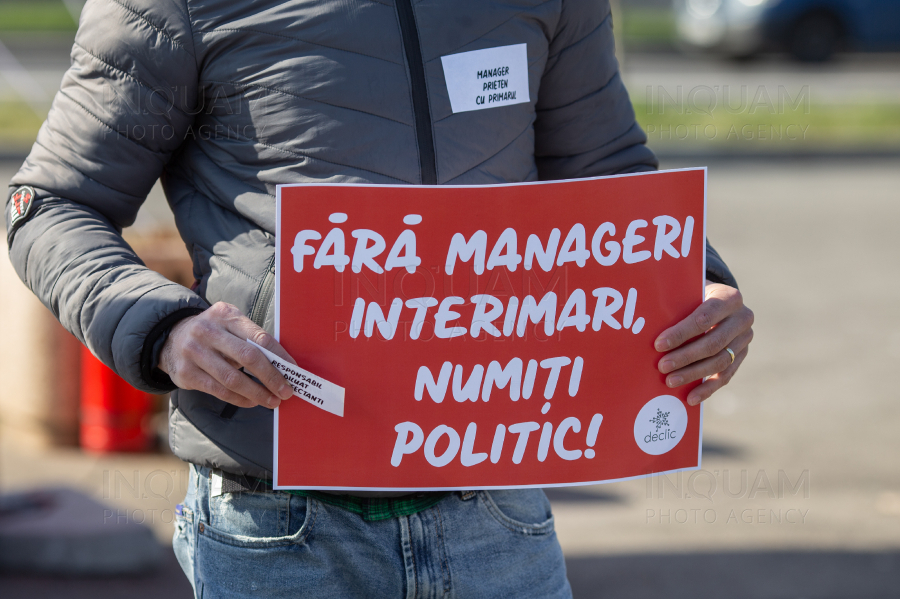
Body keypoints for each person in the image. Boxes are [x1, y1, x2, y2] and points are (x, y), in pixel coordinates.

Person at [5, 0, 753, 596]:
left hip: (498, 504)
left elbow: (609, 178)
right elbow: (49, 206)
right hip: (278, 521)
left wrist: (695, 285)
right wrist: (166, 328)